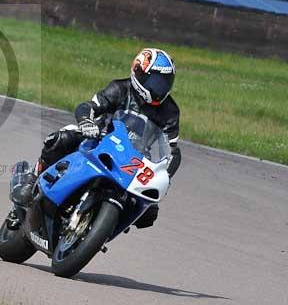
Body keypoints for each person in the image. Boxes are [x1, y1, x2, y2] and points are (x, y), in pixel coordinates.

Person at [12, 48, 181, 229]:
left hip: (132, 161)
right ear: (138, 72)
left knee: (148, 211)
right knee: (61, 139)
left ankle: (99, 229)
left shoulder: (170, 111)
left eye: (165, 83)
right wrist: (86, 122)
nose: (159, 88)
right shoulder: (120, 88)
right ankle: (32, 181)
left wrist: (164, 174)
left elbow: (172, 150)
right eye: (155, 81)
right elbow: (89, 106)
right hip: (98, 139)